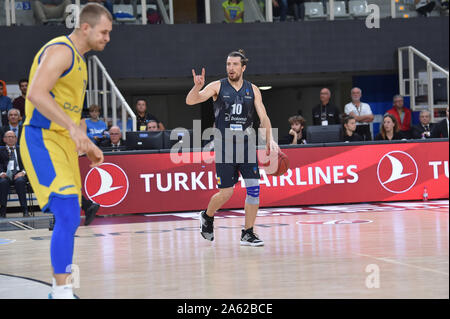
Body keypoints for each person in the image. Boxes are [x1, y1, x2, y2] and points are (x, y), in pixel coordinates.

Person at [20, 3, 111, 299]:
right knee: (67, 212)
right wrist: (72, 130)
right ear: (86, 27)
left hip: (63, 143)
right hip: (41, 137)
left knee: (73, 215)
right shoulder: (62, 50)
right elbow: (35, 93)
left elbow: (72, 114)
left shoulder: (81, 62)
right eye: (104, 31)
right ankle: (61, 291)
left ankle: (64, 287)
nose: (108, 37)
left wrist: (88, 144)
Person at [186, 49, 279, 247]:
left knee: (254, 189)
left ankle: (248, 233)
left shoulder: (252, 89)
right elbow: (191, 101)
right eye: (228, 64)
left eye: (235, 64)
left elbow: (263, 116)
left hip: (246, 146)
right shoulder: (217, 86)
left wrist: (270, 140)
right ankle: (207, 216)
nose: (231, 68)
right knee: (226, 193)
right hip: (225, 146)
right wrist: (197, 87)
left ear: (243, 67)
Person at [0, 131, 29, 218]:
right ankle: (3, 211)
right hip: (5, 175)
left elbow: (28, 164)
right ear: (4, 139)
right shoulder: (1, 150)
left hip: (18, 174)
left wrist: (23, 172)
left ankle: (25, 210)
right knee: (3, 182)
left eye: (12, 136)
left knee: (20, 181)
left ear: (16, 139)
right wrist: (1, 173)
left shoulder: (22, 149)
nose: (10, 138)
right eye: (8, 137)